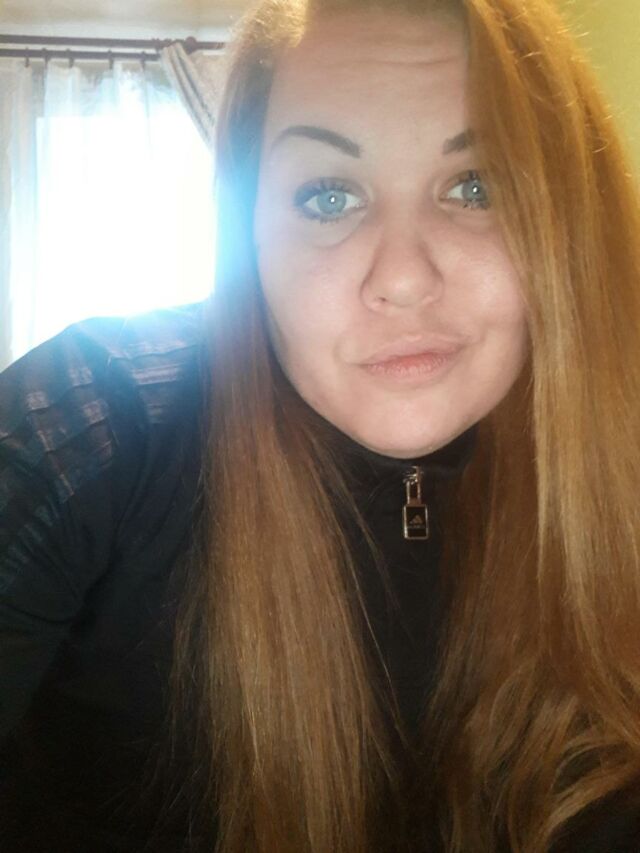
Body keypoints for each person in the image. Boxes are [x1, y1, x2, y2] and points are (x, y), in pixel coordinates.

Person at [2, 0, 640, 850]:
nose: (403, 278)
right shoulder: (91, 417)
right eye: (328, 195)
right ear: (248, 233)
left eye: (477, 186)